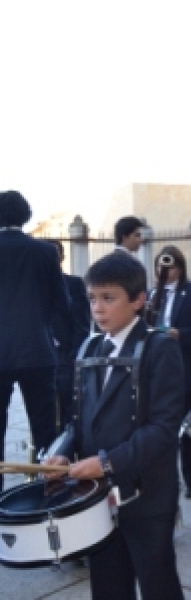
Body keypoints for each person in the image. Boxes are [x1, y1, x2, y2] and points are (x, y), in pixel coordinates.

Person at [46, 252, 184, 600]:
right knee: (107, 585)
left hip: (147, 494)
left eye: (109, 298)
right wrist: (61, 453)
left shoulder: (160, 347)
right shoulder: (90, 346)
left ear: (139, 300)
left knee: (158, 583)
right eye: (92, 298)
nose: (98, 308)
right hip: (97, 495)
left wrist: (107, 462)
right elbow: (77, 421)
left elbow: (163, 429)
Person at [0, 191, 70, 490]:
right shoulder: (45, 252)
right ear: (25, 215)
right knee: (45, 432)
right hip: (38, 351)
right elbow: (62, 303)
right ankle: (49, 494)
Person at [152, 245, 191, 499]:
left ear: (180, 267)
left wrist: (181, 335)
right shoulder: (153, 295)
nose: (166, 271)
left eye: (171, 266)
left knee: (188, 428)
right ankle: (167, 481)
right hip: (160, 370)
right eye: (161, 266)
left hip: (187, 367)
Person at [48, 239, 91, 432]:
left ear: (62, 257)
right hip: (42, 355)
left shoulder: (73, 284)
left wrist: (75, 353)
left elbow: (82, 322)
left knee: (69, 410)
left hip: (66, 356)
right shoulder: (34, 285)